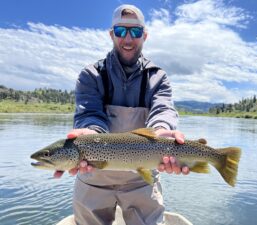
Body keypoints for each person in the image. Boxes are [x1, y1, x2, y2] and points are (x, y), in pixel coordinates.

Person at [55, 4, 190, 225]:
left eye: (135, 31)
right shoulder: (91, 75)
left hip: (142, 178)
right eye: (120, 31)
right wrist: (90, 135)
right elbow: (90, 115)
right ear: (111, 35)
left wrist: (162, 131)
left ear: (144, 36)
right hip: (93, 175)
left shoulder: (158, 77)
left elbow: (163, 110)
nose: (128, 38)